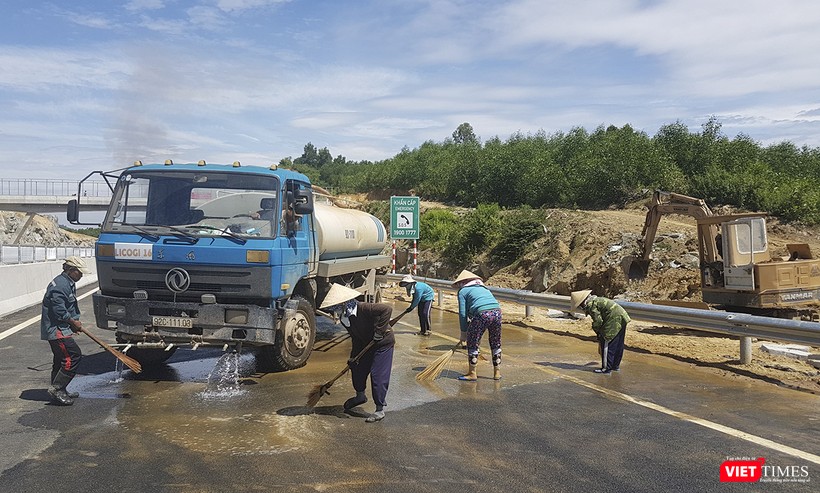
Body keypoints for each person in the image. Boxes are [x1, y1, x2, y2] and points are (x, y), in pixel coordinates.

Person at [319, 283, 395, 422]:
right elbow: (355, 337)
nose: (333, 310)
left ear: (344, 303)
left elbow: (386, 309)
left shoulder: (364, 308)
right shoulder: (344, 318)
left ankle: (379, 409)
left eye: (336, 306)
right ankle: (360, 396)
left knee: (378, 375)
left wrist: (379, 331)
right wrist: (354, 356)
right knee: (357, 368)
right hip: (366, 344)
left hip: (383, 344)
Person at [40, 256, 91, 406]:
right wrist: (72, 323)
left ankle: (60, 389)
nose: (81, 275)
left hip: (62, 328)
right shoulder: (60, 285)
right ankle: (57, 389)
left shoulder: (68, 282)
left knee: (60, 359)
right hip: (56, 330)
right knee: (73, 356)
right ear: (70, 270)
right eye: (79, 272)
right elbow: (59, 310)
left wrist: (72, 324)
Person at [452, 270, 502, 381]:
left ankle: (472, 373)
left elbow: (463, 313)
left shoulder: (463, 291)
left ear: (463, 282)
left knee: (472, 342)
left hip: (482, 313)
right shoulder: (483, 288)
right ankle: (497, 373)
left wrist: (463, 333)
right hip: (497, 312)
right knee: (495, 341)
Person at [571, 289, 631, 374]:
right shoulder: (596, 300)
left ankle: (606, 369)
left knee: (606, 343)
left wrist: (598, 332)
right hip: (622, 317)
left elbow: (598, 321)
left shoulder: (591, 305)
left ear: (582, 303)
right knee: (617, 343)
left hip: (613, 319)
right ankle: (615, 366)